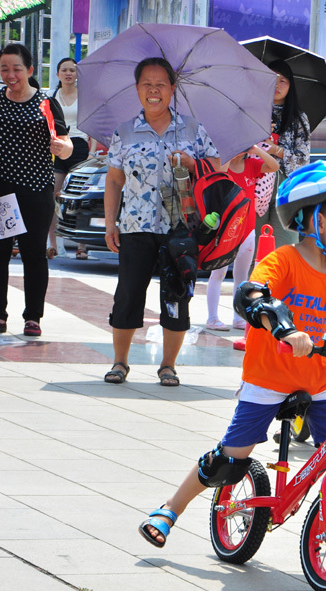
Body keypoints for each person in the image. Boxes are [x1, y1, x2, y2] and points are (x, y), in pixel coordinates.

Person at [138, 161, 326, 574]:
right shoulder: (285, 260)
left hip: (320, 378)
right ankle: (170, 508)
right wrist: (284, 329)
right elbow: (253, 295)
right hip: (269, 376)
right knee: (231, 459)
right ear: (319, 221)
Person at [103, 57, 218, 386]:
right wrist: (111, 223)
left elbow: (216, 167)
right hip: (135, 227)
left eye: (161, 84)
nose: (154, 90)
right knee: (127, 294)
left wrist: (191, 161)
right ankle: (120, 363)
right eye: (146, 84)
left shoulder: (192, 129)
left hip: (180, 227)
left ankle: (168, 365)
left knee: (177, 295)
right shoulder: (124, 132)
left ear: (172, 89)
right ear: (137, 89)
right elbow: (114, 181)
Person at [0, 43, 73, 338]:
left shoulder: (46, 102)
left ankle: (33, 316)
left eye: (16, 68)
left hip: (35, 190)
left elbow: (66, 142)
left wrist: (62, 147)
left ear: (30, 70)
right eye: (4, 69)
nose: (10, 74)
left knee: (34, 254)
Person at [204, 144, 279, 331]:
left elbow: (274, 166)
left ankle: (239, 317)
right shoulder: (223, 164)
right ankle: (212, 317)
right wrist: (230, 152)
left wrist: (256, 150)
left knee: (241, 276)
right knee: (218, 273)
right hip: (225, 230)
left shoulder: (253, 165)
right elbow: (217, 173)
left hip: (247, 230)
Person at [255, 60, 310, 249]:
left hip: (287, 187)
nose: (277, 85)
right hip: (254, 184)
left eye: (283, 81)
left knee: (284, 249)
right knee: (253, 249)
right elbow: (240, 149)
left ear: (290, 85)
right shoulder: (252, 112)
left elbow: (303, 161)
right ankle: (253, 280)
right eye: (272, 79)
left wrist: (275, 150)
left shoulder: (298, 118)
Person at [46, 57, 96, 260]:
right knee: (54, 197)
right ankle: (54, 244)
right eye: (64, 70)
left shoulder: (85, 97)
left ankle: (81, 246)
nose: (68, 73)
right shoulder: (51, 97)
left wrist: (92, 152)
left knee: (81, 198)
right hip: (58, 148)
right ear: (57, 74)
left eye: (72, 70)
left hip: (81, 147)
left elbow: (92, 126)